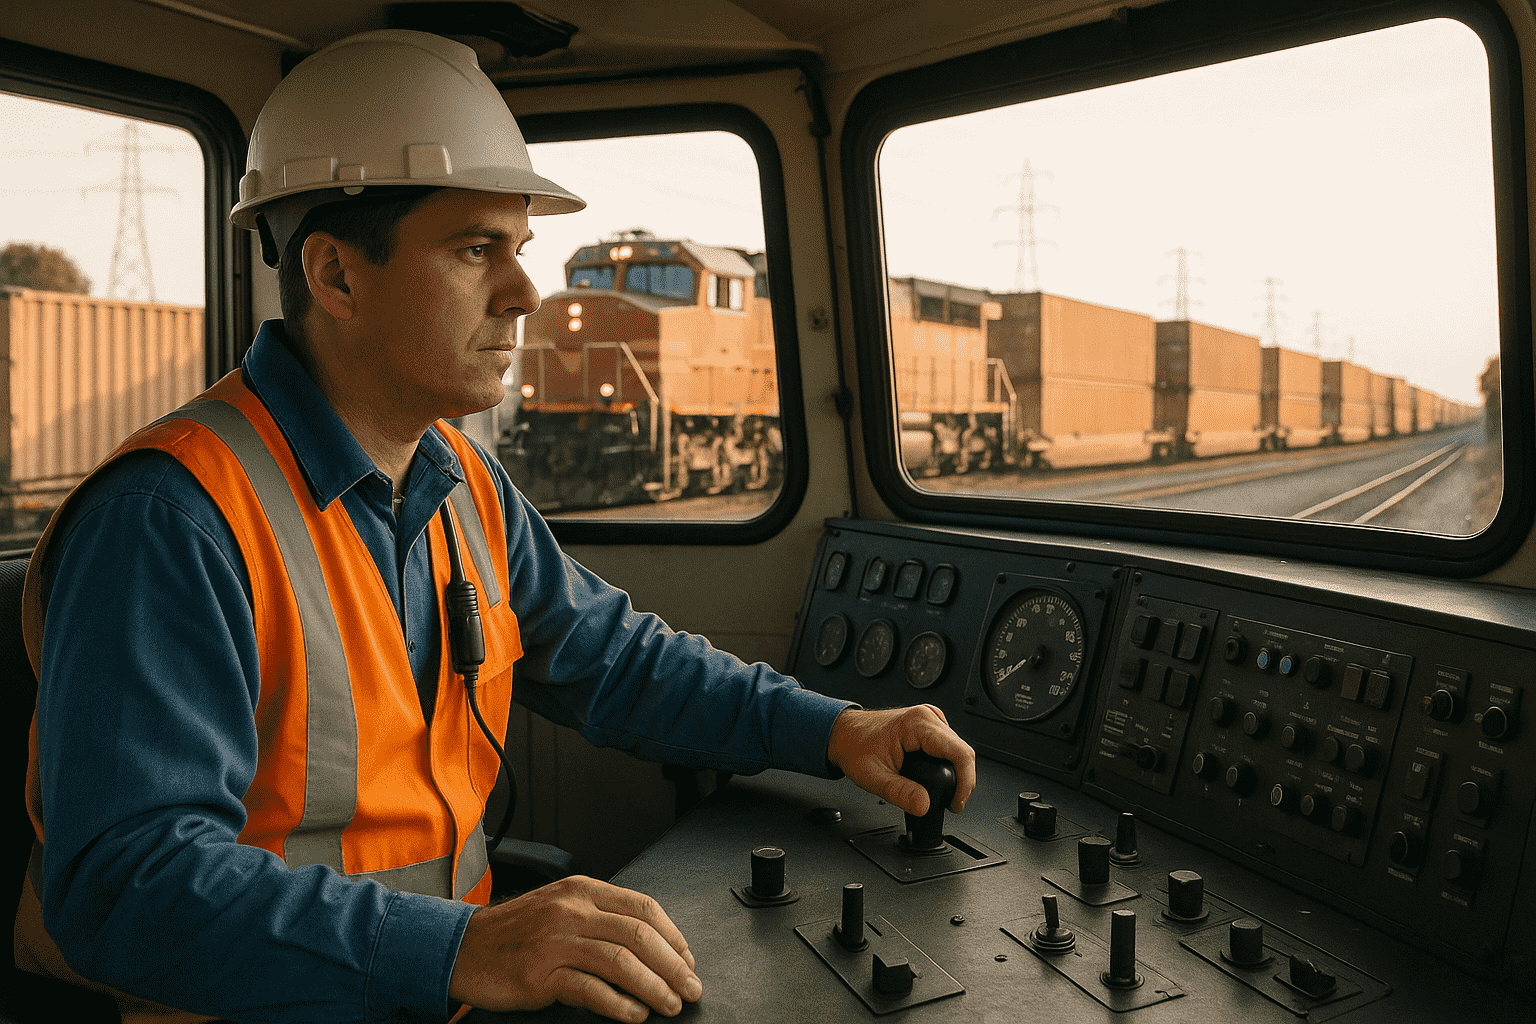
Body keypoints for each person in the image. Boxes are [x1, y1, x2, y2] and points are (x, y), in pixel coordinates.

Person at [14, 29, 977, 1024]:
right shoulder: (171, 519)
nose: (526, 293)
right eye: (477, 250)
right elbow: (121, 888)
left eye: (518, 250)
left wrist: (831, 728)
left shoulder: (460, 479)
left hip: (437, 992)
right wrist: (465, 944)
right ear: (336, 276)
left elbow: (617, 662)